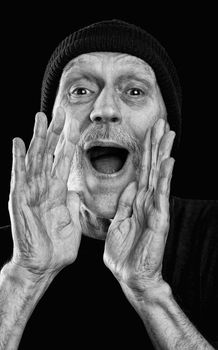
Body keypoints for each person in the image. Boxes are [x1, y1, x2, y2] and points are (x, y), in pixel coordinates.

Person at [0, 19, 217, 349]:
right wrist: (25, 277)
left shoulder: (212, 234)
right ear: (51, 132)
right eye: (81, 91)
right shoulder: (14, 257)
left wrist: (149, 291)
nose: (104, 110)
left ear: (167, 128)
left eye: (134, 91)